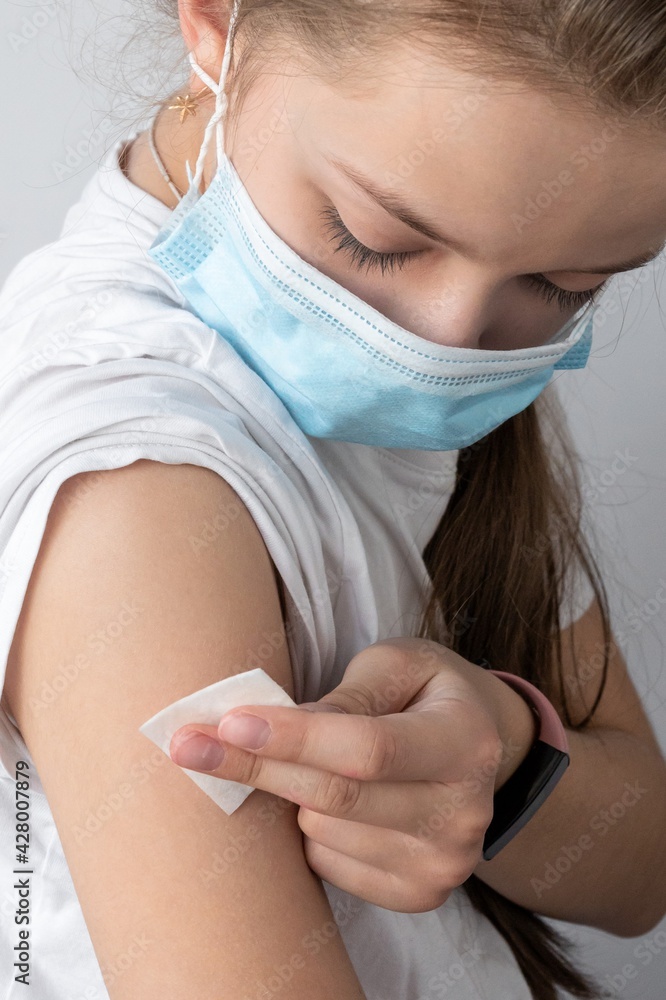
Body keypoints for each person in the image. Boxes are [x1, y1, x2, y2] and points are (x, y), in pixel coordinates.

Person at [0, 0, 665, 998]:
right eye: (376, 238)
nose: (442, 343)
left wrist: (506, 764)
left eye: (564, 285)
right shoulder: (138, 482)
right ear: (219, 26)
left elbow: (642, 866)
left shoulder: (466, 368)